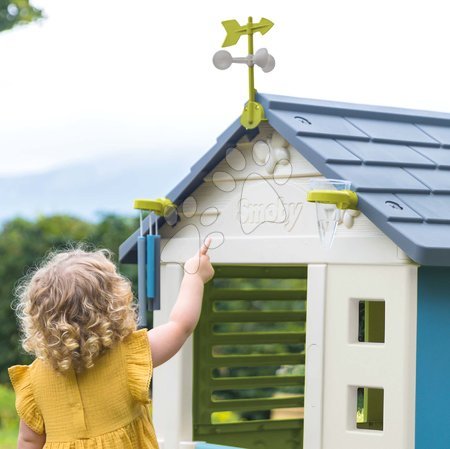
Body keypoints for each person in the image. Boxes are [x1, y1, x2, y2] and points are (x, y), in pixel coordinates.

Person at [8, 239, 214, 449]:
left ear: (38, 318)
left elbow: (29, 440)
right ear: (112, 304)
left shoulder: (33, 383)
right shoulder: (130, 357)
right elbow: (181, 325)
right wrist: (194, 275)